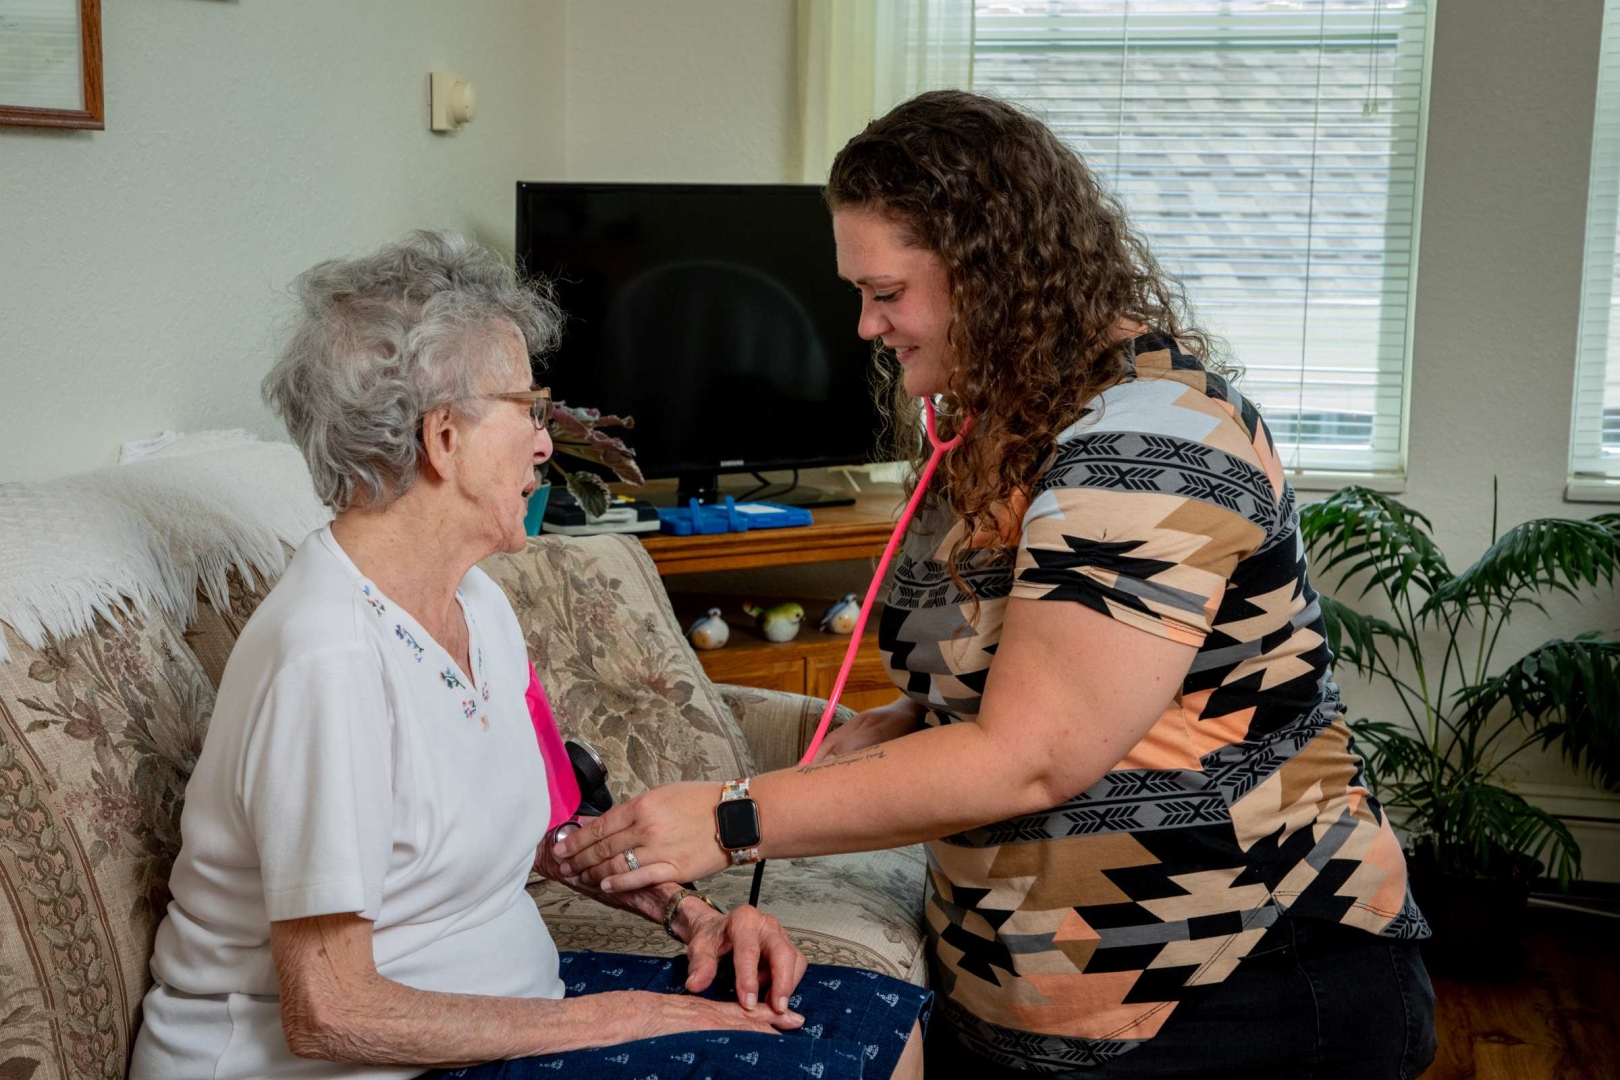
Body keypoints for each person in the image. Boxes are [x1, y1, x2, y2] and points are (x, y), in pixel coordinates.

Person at [552, 92, 1438, 1079]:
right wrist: (904, 724)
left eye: (886, 292)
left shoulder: (1151, 443)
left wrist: (731, 817)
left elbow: (1031, 756)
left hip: (1232, 994)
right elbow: (1038, 675)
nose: (864, 325)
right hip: (1036, 1001)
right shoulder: (1006, 429)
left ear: (993, 268)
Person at [129, 231, 930, 1080]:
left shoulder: (477, 602)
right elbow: (332, 1011)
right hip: (362, 1065)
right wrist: (614, 1019)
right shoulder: (327, 659)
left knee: (875, 1027)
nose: (546, 444)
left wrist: (693, 917)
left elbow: (555, 831)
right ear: (444, 439)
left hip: (509, 1013)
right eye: (528, 411)